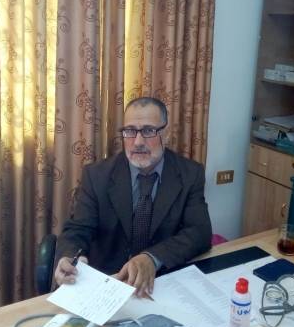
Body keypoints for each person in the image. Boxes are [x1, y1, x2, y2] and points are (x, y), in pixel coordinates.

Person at [53, 97, 212, 298]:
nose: (138, 142)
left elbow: (199, 232)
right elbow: (78, 230)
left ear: (166, 134)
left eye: (148, 131)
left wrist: (152, 258)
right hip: (108, 281)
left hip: (160, 282)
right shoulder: (97, 175)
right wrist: (69, 257)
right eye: (129, 131)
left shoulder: (190, 174)